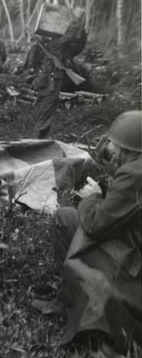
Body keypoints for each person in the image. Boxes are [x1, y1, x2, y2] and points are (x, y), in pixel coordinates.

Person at [45, 110, 142, 356]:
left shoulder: (134, 173)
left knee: (66, 218)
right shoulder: (136, 169)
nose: (109, 146)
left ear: (128, 147)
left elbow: (97, 225)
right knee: (72, 218)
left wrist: (93, 197)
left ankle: (80, 304)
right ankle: (71, 296)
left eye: (114, 142)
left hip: (135, 267)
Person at [32, 17, 86, 138]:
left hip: (50, 84)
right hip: (49, 85)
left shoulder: (56, 47)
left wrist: (82, 33)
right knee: (44, 118)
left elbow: (76, 49)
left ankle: (40, 142)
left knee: (46, 117)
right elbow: (69, 37)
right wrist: (76, 21)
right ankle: (34, 143)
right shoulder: (55, 44)